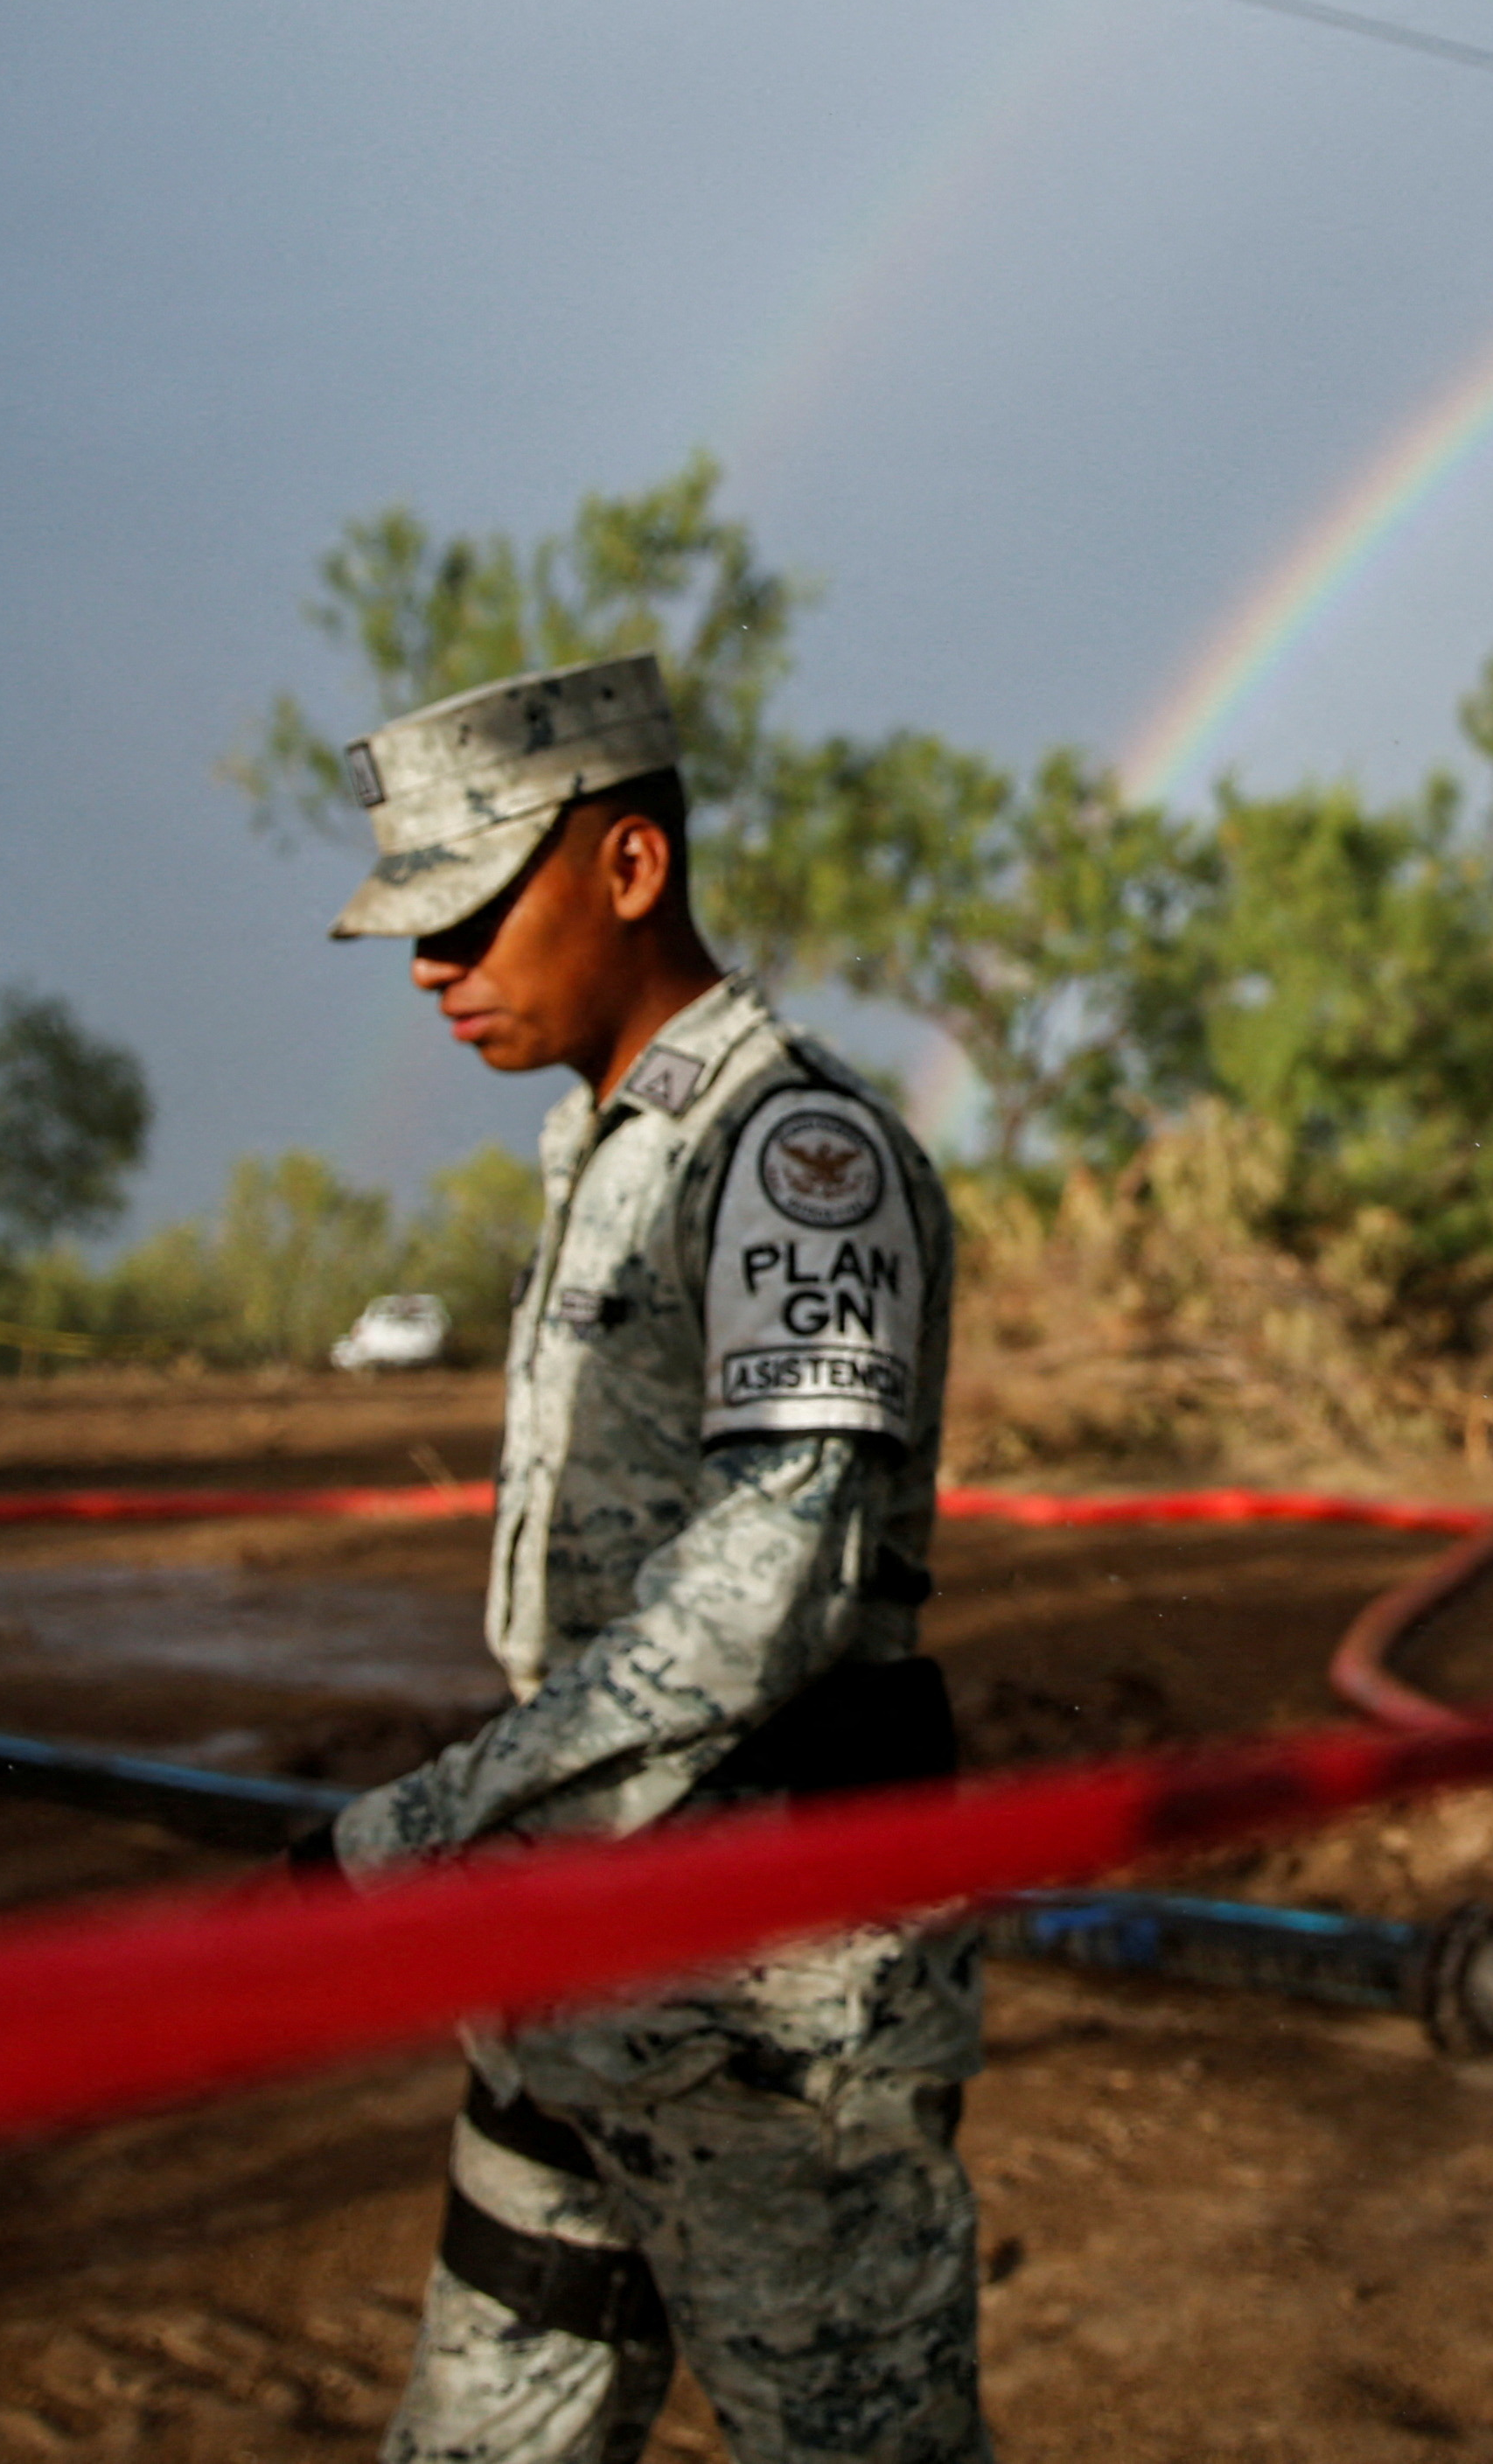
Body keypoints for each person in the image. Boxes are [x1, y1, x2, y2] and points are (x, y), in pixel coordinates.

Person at [307, 653, 989, 2464]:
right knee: (484, 2435)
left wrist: (420, 1824)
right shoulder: (605, 1149)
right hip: (579, 1951)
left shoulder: (793, 1152)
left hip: (773, 1996)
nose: (434, 970)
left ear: (626, 866)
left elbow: (765, 1585)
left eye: (464, 914)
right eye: (412, 935)